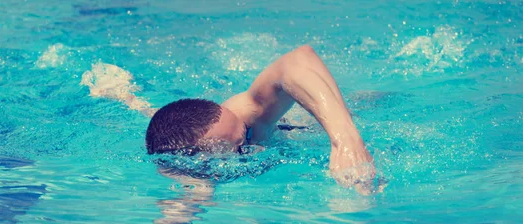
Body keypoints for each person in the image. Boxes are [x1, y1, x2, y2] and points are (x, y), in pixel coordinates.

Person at [81, 45, 377, 195]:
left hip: (301, 119)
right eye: (242, 142)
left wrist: (345, 138)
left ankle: (130, 98)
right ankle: (130, 99)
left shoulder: (245, 114)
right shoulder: (194, 168)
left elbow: (300, 58)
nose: (250, 139)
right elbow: (188, 197)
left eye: (245, 131)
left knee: (372, 99)